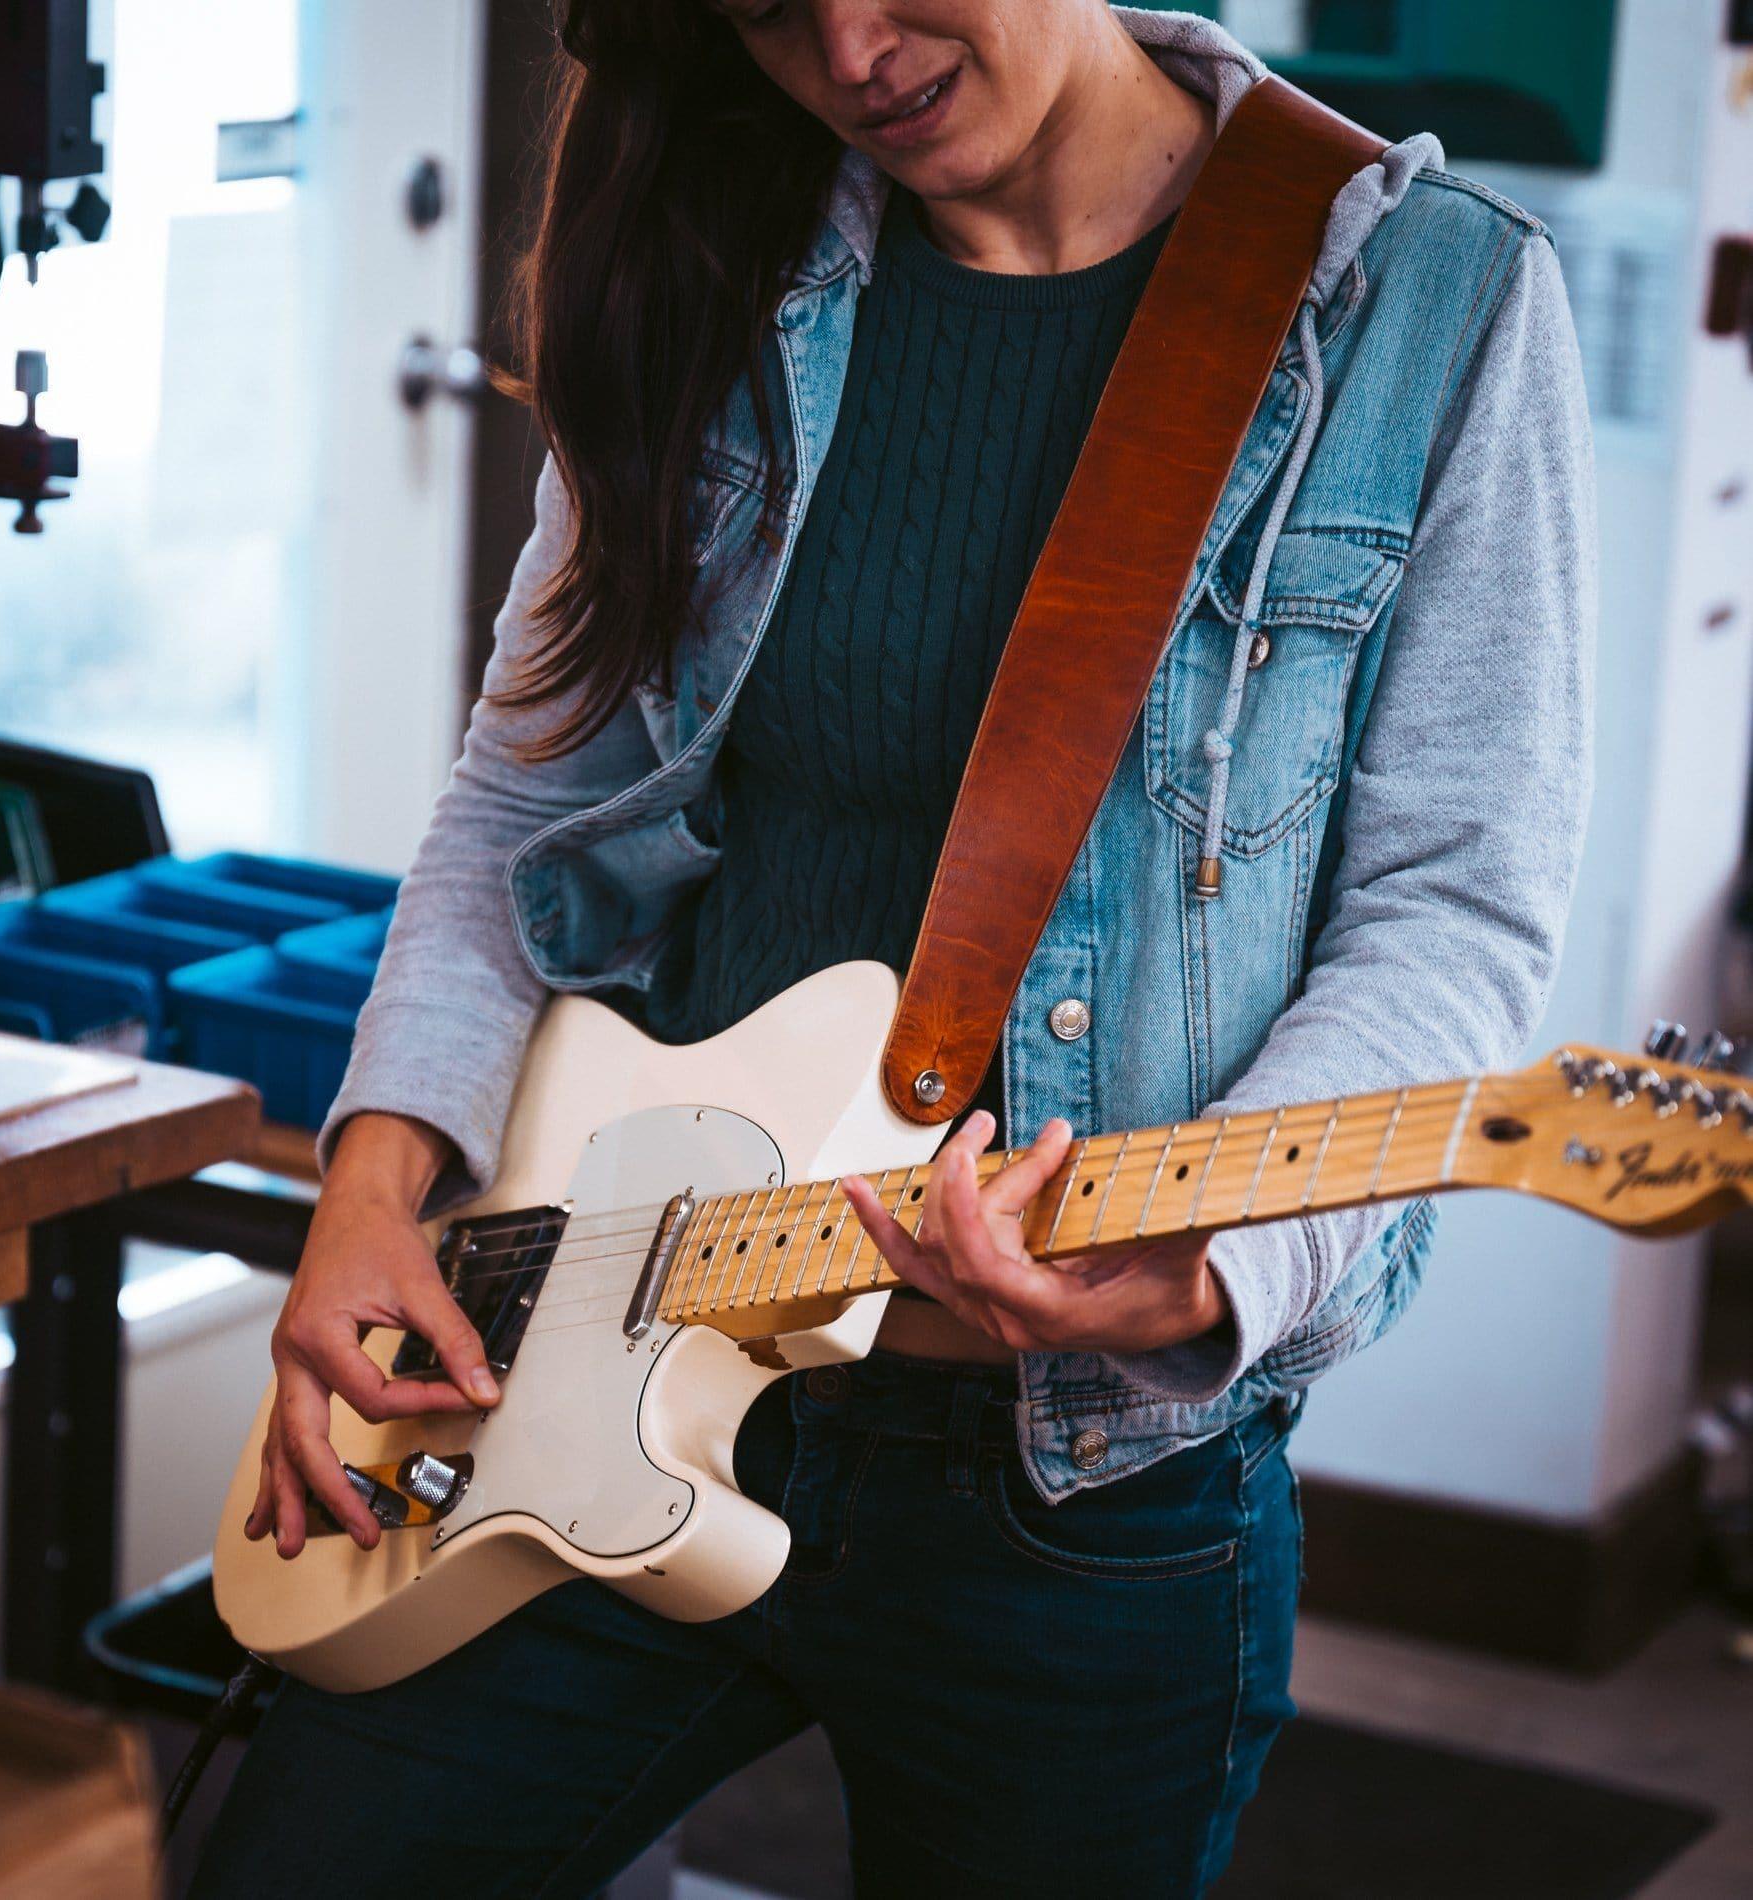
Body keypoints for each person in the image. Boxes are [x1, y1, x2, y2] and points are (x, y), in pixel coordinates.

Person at [193, 4, 1595, 1894]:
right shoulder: (723, 243)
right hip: (596, 1336)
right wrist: (369, 1193)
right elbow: (525, 799)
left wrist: (1207, 1266)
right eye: (768, 8)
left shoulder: (1440, 302)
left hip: (1077, 1492)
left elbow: (1456, 909)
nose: (851, 46)